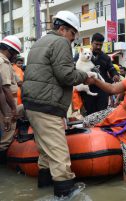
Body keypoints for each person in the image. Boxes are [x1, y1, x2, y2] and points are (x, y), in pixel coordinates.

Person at [22, 10, 93, 198]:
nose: (72, 39)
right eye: (72, 34)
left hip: (32, 105)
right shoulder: (60, 42)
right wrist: (86, 76)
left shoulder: (40, 42)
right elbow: (67, 75)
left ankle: (44, 189)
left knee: (45, 154)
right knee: (60, 155)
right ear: (62, 29)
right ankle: (65, 193)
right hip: (47, 106)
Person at [79, 33, 120, 115]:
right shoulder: (82, 54)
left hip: (102, 91)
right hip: (87, 91)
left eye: (100, 45)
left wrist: (115, 75)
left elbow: (111, 69)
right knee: (90, 115)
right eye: (96, 44)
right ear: (91, 43)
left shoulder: (105, 57)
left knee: (102, 115)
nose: (98, 47)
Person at [0, 35, 21, 164]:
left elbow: (19, 82)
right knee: (5, 138)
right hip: (6, 105)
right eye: (15, 53)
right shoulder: (3, 63)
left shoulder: (7, 63)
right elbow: (5, 88)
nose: (16, 57)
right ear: (9, 50)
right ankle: (4, 167)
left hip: (8, 103)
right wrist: (12, 110)